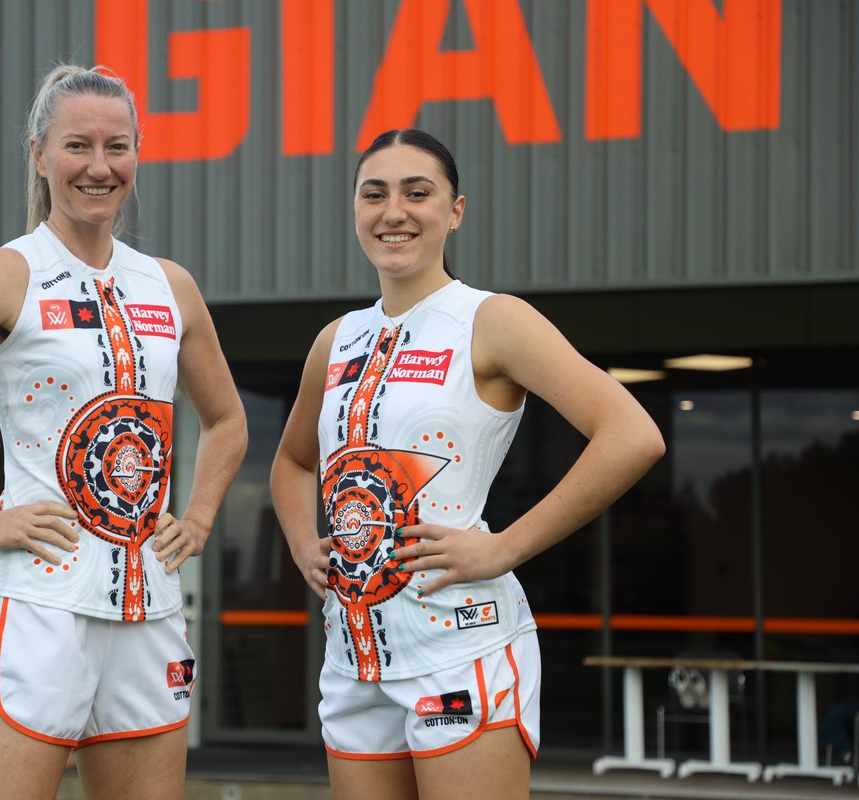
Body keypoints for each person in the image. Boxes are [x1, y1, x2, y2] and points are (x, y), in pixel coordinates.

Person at [0, 64, 247, 800]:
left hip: (151, 612)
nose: (98, 167)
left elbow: (227, 419)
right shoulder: (9, 273)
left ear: (137, 153)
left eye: (117, 146)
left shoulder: (171, 285)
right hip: (37, 607)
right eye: (77, 146)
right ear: (39, 154)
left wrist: (197, 518)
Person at [270, 129, 665, 800]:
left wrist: (505, 547)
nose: (394, 212)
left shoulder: (492, 320)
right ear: (356, 209)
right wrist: (306, 544)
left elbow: (632, 435)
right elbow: (291, 462)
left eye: (417, 193)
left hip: (461, 649)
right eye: (375, 194)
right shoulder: (335, 341)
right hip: (353, 658)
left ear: (455, 211)